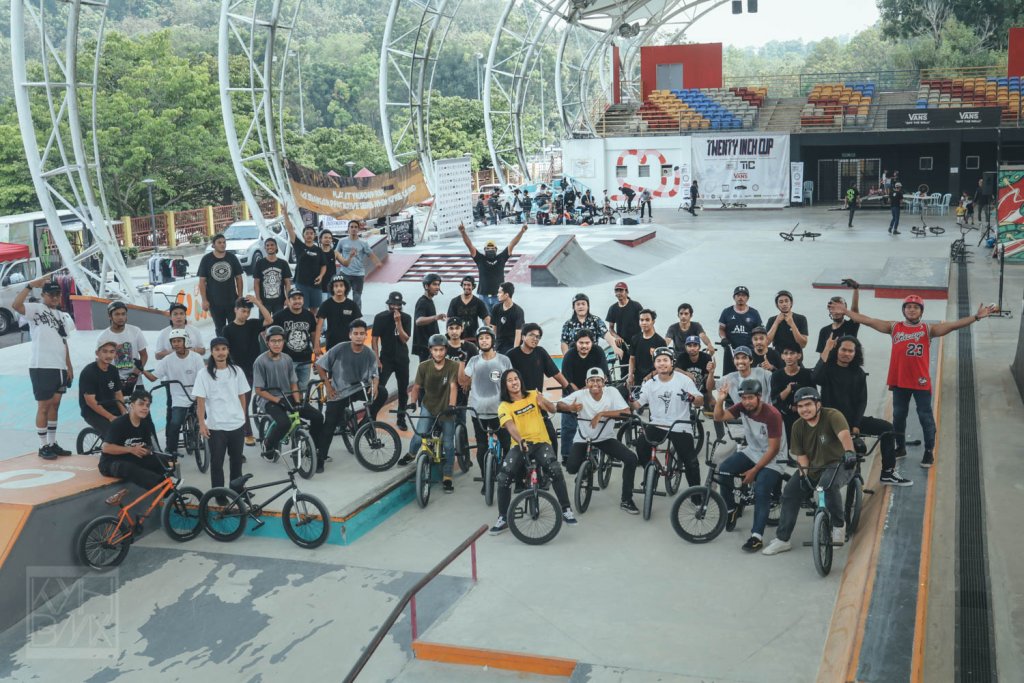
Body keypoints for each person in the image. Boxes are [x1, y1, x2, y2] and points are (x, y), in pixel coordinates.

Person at [831, 295, 997, 468]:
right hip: (900, 381)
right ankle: (901, 447)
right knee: (898, 416)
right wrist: (846, 311)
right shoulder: (894, 327)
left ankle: (929, 451)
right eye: (908, 307)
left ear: (921, 311)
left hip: (920, 382)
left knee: (925, 417)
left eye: (916, 307)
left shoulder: (928, 329)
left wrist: (976, 317)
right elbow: (868, 320)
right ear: (903, 310)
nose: (911, 310)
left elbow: (953, 325)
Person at [763, 388, 856, 555]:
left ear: (818, 404)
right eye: (800, 406)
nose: (804, 409)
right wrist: (803, 477)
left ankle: (839, 525)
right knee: (790, 492)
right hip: (813, 467)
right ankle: (783, 539)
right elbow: (802, 456)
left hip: (840, 464)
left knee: (827, 486)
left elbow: (845, 436)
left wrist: (849, 452)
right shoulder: (797, 426)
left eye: (808, 405)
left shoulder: (833, 416)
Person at [814, 335, 911, 486]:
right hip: (830, 423)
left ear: (855, 353)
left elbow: (861, 401)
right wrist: (827, 348)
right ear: (836, 350)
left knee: (887, 429)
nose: (846, 353)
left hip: (852, 421)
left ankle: (888, 472)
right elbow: (816, 378)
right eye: (843, 350)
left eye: (850, 351)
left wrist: (856, 424)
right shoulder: (828, 368)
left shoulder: (858, 373)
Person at [489, 368, 578, 534]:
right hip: (519, 444)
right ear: (505, 385)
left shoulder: (532, 394)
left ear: (520, 380)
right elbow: (510, 425)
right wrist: (520, 440)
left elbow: (552, 409)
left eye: (516, 379)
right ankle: (503, 518)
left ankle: (566, 509)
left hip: (540, 442)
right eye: (510, 380)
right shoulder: (504, 406)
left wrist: (542, 401)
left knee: (555, 469)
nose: (514, 382)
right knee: (503, 477)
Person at [713, 377, 786, 552]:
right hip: (752, 451)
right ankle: (731, 509)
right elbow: (718, 417)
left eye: (751, 397)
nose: (747, 402)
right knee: (724, 470)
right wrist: (720, 400)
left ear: (759, 396)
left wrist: (754, 471)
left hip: (774, 457)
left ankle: (756, 537)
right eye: (744, 398)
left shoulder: (772, 415)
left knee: (761, 490)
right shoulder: (742, 407)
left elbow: (774, 449)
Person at [561, 367, 640, 514]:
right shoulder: (580, 394)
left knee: (631, 459)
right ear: (586, 382)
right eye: (591, 380)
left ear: (604, 382)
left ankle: (626, 500)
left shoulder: (612, 392)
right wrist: (570, 407)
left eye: (599, 380)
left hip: (605, 438)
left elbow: (626, 412)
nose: (595, 383)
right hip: (583, 438)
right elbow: (559, 404)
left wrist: (602, 414)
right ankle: (587, 470)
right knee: (571, 468)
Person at [13, 277, 74, 459]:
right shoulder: (36, 309)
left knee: (56, 405)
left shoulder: (62, 316)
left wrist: (69, 366)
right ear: (43, 295)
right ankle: (43, 446)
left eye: (58, 294)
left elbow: (64, 342)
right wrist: (30, 285)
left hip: (59, 367)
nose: (55, 297)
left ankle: (52, 443)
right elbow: (16, 305)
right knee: (44, 407)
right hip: (42, 366)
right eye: (51, 294)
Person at [631, 348, 704, 489]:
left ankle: (696, 495)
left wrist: (692, 398)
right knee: (641, 445)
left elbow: (700, 401)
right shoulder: (649, 383)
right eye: (658, 361)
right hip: (657, 424)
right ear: (654, 364)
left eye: (665, 360)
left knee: (691, 462)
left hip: (680, 426)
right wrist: (631, 399)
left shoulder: (684, 380)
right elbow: (637, 405)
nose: (662, 363)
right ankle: (652, 473)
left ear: (672, 363)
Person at [252, 325, 325, 465]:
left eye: (280, 341)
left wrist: (297, 401)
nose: (277, 344)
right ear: (267, 342)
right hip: (268, 399)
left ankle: (312, 447)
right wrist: (278, 400)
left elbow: (293, 383)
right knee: (284, 423)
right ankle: (268, 443)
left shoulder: (287, 359)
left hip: (288, 396)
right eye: (273, 341)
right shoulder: (260, 362)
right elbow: (259, 390)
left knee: (318, 417)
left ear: (284, 342)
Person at [314, 319, 380, 473]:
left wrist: (375, 385)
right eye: (355, 333)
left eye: (362, 333)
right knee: (329, 425)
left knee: (382, 393)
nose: (359, 336)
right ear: (350, 335)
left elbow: (375, 374)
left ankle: (364, 423)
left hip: (359, 389)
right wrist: (328, 386)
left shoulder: (369, 353)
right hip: (339, 392)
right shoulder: (340, 349)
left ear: (365, 335)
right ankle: (321, 458)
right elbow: (319, 365)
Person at [398, 335, 459, 493]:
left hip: (446, 408)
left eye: (441, 350)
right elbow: (416, 387)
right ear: (430, 351)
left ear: (446, 350)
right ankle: (412, 454)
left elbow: (453, 387)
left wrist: (452, 405)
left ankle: (447, 476)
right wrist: (413, 402)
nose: (438, 353)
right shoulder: (424, 366)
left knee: (448, 444)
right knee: (419, 436)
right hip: (429, 406)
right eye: (435, 350)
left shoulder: (453, 366)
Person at [192, 337, 250, 491]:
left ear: (228, 351)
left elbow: (242, 395)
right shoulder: (203, 374)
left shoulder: (237, 371)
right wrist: (202, 423)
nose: (220, 352)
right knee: (217, 463)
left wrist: (243, 416)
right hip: (216, 426)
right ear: (211, 352)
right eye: (217, 349)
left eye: (223, 349)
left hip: (236, 424)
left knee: (236, 461)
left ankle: (237, 491)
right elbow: (200, 401)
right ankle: (218, 494)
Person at [507, 322, 569, 448]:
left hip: (537, 403)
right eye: (532, 335)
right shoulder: (511, 355)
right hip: (517, 404)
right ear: (523, 337)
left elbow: (555, 373)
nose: (535, 338)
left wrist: (568, 387)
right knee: (515, 442)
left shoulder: (540, 353)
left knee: (552, 439)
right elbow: (505, 380)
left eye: (538, 336)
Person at [223, 296, 273, 446]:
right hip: (240, 370)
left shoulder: (252, 324)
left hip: (257, 366)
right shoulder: (228, 329)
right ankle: (248, 434)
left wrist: (257, 303)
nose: (245, 314)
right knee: (244, 402)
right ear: (235, 310)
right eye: (243, 311)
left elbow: (269, 320)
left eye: (248, 312)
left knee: (270, 395)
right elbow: (225, 351)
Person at [463, 326, 512, 480]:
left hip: (500, 412)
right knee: (482, 447)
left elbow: (511, 382)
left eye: (487, 338)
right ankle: (486, 479)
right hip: (478, 412)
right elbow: (463, 381)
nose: (484, 341)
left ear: (493, 340)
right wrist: (461, 362)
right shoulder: (473, 361)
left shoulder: (504, 360)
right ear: (477, 342)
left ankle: (506, 475)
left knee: (507, 444)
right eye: (481, 338)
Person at [152, 327, 205, 457]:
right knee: (175, 423)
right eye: (173, 341)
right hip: (179, 397)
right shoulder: (167, 360)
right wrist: (140, 370)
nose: (176, 344)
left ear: (185, 341)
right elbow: (153, 377)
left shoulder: (196, 357)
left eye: (179, 341)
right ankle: (171, 450)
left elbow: (203, 376)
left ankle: (209, 442)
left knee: (209, 418)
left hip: (197, 394)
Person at [558, 329, 610, 461]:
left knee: (593, 423)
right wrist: (580, 395)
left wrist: (589, 391)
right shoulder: (569, 356)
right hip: (572, 390)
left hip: (594, 388)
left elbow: (603, 376)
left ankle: (594, 453)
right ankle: (567, 454)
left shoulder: (598, 352)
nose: (584, 346)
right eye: (581, 343)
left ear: (592, 343)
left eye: (587, 343)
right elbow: (567, 381)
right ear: (576, 343)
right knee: (569, 424)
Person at [98, 390, 165, 491]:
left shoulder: (145, 425)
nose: (145, 408)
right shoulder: (119, 423)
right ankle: (162, 486)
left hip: (130, 458)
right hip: (111, 462)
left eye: (147, 405)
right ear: (132, 405)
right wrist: (131, 449)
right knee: (128, 468)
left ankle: (173, 488)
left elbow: (149, 447)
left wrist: (146, 451)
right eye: (141, 404)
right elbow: (106, 448)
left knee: (160, 460)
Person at [458, 223, 527, 310]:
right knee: (485, 317)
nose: (490, 250)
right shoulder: (480, 258)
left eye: (492, 248)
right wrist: (463, 232)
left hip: (499, 296)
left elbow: (512, 244)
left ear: (496, 250)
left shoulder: (501, 258)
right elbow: (469, 245)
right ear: (484, 250)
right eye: (488, 248)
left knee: (498, 316)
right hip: (483, 296)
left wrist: (521, 232)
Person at [370, 292, 412, 430]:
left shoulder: (406, 318)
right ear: (388, 304)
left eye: (398, 305)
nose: (395, 307)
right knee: (378, 389)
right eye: (392, 304)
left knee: (403, 390)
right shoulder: (380, 317)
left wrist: (398, 322)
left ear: (401, 305)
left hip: (402, 359)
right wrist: (376, 359)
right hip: (386, 359)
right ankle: (371, 418)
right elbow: (374, 339)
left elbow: (404, 339)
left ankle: (401, 418)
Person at [98, 301, 152, 397]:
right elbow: (100, 361)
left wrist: (135, 373)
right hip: (113, 382)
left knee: (142, 406)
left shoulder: (135, 331)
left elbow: (144, 355)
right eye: (117, 314)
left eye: (123, 314)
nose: (121, 317)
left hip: (136, 381)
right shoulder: (103, 337)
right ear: (110, 316)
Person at [197, 233, 244, 334]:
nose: (222, 244)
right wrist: (204, 300)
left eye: (224, 242)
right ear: (213, 245)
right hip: (214, 302)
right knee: (220, 328)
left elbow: (239, 278)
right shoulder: (206, 259)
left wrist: (240, 297)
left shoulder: (232, 257)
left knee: (234, 327)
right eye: (219, 242)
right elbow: (202, 281)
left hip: (232, 301)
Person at [80, 339, 127, 436]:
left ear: (115, 354)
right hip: (92, 411)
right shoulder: (89, 372)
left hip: (111, 407)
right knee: (113, 434)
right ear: (97, 353)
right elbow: (90, 402)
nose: (108, 355)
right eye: (105, 351)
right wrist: (110, 417)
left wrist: (124, 412)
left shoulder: (113, 370)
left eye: (112, 352)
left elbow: (118, 394)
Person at [272, 288, 317, 390]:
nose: (297, 301)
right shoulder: (279, 316)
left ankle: (300, 401)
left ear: (303, 300)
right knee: (289, 388)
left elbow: (313, 333)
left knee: (303, 387)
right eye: (294, 299)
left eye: (299, 298)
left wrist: (316, 351)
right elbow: (267, 333)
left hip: (305, 358)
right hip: (287, 359)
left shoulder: (309, 315)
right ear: (288, 301)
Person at [770, 347, 815, 440]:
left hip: (805, 415)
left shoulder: (807, 374)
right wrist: (788, 390)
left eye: (792, 353)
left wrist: (799, 406)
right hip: (784, 417)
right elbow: (774, 401)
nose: (789, 357)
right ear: (782, 356)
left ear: (799, 355)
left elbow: (814, 397)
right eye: (786, 353)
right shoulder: (776, 375)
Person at [335, 220, 383, 309]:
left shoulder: (363, 243)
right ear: (348, 229)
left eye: (355, 227)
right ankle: (342, 314)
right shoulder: (342, 241)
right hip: (345, 273)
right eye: (351, 227)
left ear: (358, 229)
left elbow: (371, 255)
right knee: (342, 295)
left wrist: (377, 263)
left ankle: (356, 315)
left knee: (357, 297)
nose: (353, 229)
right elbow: (336, 254)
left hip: (358, 274)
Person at [559, 293, 622, 359]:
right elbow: (564, 343)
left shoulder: (596, 321)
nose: (580, 306)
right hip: (574, 359)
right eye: (578, 304)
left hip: (593, 358)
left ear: (588, 306)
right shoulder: (568, 324)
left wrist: (615, 347)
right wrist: (567, 358)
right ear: (573, 307)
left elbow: (607, 335)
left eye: (583, 304)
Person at [285, 219, 327, 314]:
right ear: (303, 235)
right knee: (302, 309)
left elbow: (323, 266)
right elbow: (290, 229)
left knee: (314, 310)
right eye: (307, 233)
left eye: (311, 233)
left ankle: (312, 324)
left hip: (315, 285)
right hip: (301, 284)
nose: (309, 235)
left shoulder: (319, 250)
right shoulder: (299, 246)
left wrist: (321, 276)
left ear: (314, 236)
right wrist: (285, 215)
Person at [718, 286, 762, 375]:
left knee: (748, 375)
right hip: (731, 350)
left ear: (747, 298)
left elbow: (759, 332)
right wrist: (723, 338)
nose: (740, 297)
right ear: (734, 297)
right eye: (738, 295)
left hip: (749, 350)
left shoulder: (754, 313)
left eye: (743, 295)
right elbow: (721, 329)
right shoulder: (727, 312)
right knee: (728, 376)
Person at [315, 275, 362, 352]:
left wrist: (358, 344)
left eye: (341, 285)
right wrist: (317, 345)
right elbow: (319, 326)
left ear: (345, 287)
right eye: (336, 286)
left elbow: (358, 326)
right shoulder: (326, 304)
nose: (339, 288)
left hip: (349, 345)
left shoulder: (352, 305)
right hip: (331, 345)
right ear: (332, 288)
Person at [815, 282, 861, 353]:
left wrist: (856, 289)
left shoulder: (851, 325)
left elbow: (854, 312)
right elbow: (821, 355)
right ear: (829, 310)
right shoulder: (824, 331)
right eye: (833, 308)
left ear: (845, 310)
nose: (837, 312)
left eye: (839, 308)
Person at [606, 281, 643, 370]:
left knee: (639, 368)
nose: (619, 293)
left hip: (637, 343)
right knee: (624, 369)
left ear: (627, 292)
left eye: (621, 290)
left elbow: (644, 322)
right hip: (622, 345)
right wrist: (617, 337)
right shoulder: (613, 309)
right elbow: (611, 328)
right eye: (616, 290)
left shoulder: (636, 306)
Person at [253, 236, 293, 315]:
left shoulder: (283, 263)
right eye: (267, 245)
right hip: (264, 302)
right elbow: (256, 283)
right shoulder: (260, 263)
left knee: (278, 322)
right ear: (265, 248)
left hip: (279, 302)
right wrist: (258, 299)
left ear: (276, 247)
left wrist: (288, 298)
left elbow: (287, 283)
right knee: (264, 322)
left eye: (272, 245)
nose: (270, 247)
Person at [413, 273, 446, 362]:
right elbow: (418, 321)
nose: (437, 287)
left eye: (438, 285)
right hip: (425, 347)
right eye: (434, 284)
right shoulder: (422, 302)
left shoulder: (429, 301)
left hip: (431, 345)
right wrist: (436, 317)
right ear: (426, 286)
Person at [629, 309, 665, 385]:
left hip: (655, 378)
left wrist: (650, 376)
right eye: (641, 320)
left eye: (647, 320)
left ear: (653, 322)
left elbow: (663, 365)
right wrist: (630, 375)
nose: (644, 323)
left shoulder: (660, 341)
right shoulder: (634, 339)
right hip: (638, 378)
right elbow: (632, 359)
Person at [490, 282, 524, 354]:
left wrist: (514, 351)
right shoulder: (496, 308)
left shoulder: (518, 311)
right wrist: (493, 346)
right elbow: (493, 329)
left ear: (506, 295)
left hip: (511, 345)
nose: (497, 295)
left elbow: (518, 334)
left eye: (499, 292)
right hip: (499, 344)